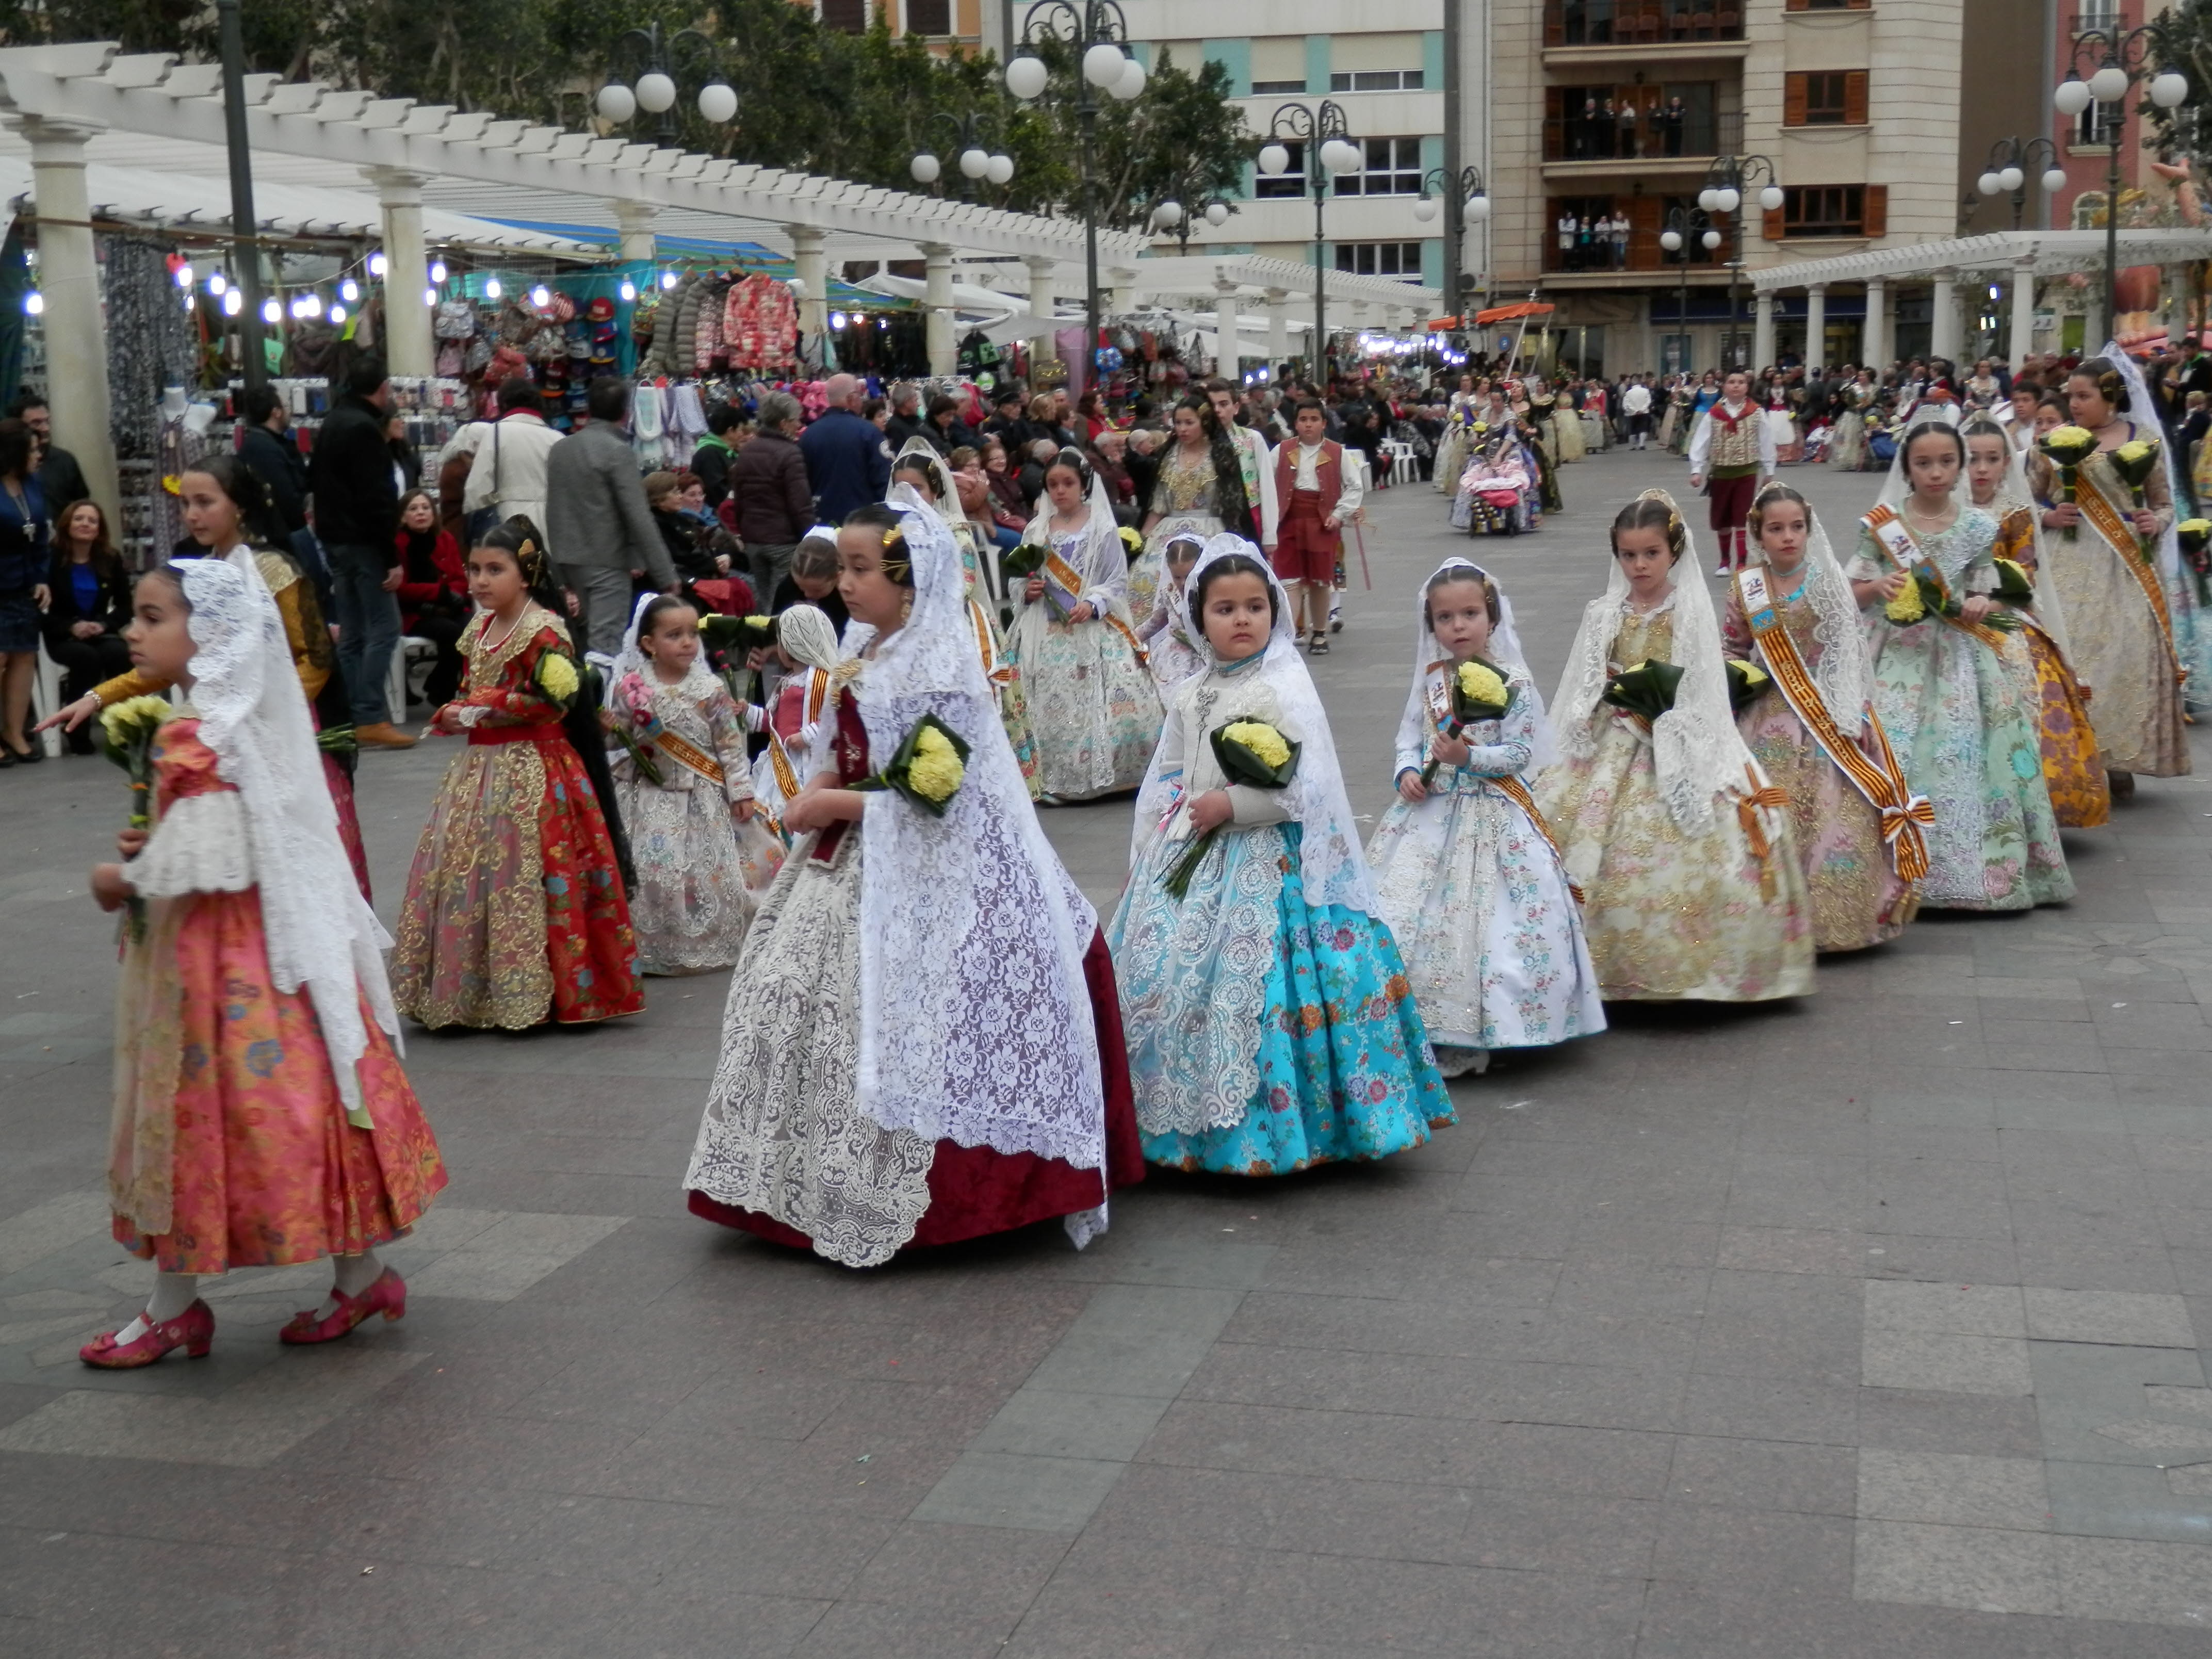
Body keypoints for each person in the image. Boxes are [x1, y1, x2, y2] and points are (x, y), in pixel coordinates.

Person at [682, 501, 1144, 1266]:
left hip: (928, 865)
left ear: (911, 579)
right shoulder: (865, 652)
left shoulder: (940, 670)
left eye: (866, 571)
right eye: (847, 569)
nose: (849, 585)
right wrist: (822, 780)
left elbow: (939, 795)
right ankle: (797, 1179)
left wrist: (829, 802)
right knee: (791, 989)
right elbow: (846, 747)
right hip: (842, 864)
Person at [76, 549, 445, 1368]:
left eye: (152, 617)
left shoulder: (198, 731)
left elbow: (210, 858)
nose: (133, 633)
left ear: (211, 634)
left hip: (218, 957)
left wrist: (122, 876)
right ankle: (361, 1274)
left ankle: (176, 1307)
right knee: (304, 1098)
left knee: (197, 1114)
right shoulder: (233, 719)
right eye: (136, 616)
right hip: (272, 944)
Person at [1109, 538, 1453, 1172]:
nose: (1241, 620)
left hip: (1271, 858)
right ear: (1196, 617)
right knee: (1170, 979)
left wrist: (1233, 805)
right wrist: (1166, 827)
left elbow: (1309, 790)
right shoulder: (1190, 693)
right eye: (1223, 609)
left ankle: (1288, 1129)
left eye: (1253, 607)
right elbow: (1172, 773)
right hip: (1192, 852)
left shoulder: (1284, 686)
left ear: (1273, 611)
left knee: (1266, 993)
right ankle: (1172, 1121)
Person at [44, 456, 375, 894]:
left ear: (238, 506)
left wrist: (260, 711)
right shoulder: (196, 572)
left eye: (205, 502)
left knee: (298, 869)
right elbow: (183, 657)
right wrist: (98, 696)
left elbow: (314, 657)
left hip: (281, 734)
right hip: (221, 730)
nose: (192, 515)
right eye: (186, 504)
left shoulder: (274, 569)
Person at [1537, 490, 1815, 1001]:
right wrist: (1602, 695)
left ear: (1673, 553)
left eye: (1651, 554)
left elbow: (1705, 684)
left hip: (1677, 734)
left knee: (1697, 834)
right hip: (1615, 735)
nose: (1639, 565)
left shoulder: (1687, 609)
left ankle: (1695, 965)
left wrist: (1671, 718)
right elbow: (1580, 682)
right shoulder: (1603, 612)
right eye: (1628, 555)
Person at [391, 515, 644, 1029]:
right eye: (474, 570)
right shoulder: (478, 629)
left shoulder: (543, 629)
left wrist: (488, 703)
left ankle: (542, 988)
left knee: (530, 876)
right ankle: (477, 989)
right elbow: (467, 691)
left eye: (495, 569)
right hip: (481, 768)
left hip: (536, 769)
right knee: (475, 875)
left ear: (525, 575)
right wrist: (457, 711)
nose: (481, 581)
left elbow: (555, 702)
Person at [1366, 559, 1604, 1077]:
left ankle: (1495, 1022)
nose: (1458, 626)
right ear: (1431, 624)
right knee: (1409, 909)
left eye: (1469, 613)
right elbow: (1409, 734)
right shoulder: (1431, 680)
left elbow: (1520, 751)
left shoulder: (1512, 679)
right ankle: (1421, 1021)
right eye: (1445, 617)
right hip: (1431, 811)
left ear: (1491, 617)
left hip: (1494, 809)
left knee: (1496, 917)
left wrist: (1469, 759)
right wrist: (1407, 770)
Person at [1851, 422, 2073, 910]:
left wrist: (1979, 604)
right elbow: (1854, 589)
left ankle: (1971, 873)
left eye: (1947, 462)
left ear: (1961, 465)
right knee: (1891, 745)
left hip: (1959, 658)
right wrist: (1878, 588)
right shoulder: (1882, 524)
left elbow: (1996, 594)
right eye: (1924, 463)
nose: (1936, 472)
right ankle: (1884, 874)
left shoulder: (1977, 527)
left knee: (1960, 749)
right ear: (1906, 468)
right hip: (1893, 655)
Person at [1718, 484, 1921, 952]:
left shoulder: (1829, 580)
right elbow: (1733, 647)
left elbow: (1849, 649)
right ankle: (1770, 923)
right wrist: (1732, 688)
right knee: (1771, 814)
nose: (1788, 537)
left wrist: (1851, 709)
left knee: (1835, 817)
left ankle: (1836, 921)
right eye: (1776, 529)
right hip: (1766, 715)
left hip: (1826, 714)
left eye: (1796, 527)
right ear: (1759, 534)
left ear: (1809, 529)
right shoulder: (1747, 586)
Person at [2026, 355, 2191, 795]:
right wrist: (2048, 515)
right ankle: (2074, 755)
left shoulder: (2145, 440)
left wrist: (2156, 522)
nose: (2075, 404)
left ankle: (2118, 756)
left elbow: (2164, 502)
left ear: (2111, 397)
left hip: (2127, 570)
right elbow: (2025, 497)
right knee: (2073, 658)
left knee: (2124, 659)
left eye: (2085, 396)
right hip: (2068, 568)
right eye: (2071, 396)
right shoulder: (2054, 441)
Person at [604, 593, 772, 974]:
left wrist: (741, 790)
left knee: (700, 873)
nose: (686, 643)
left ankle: (696, 942)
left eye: (692, 634)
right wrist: (611, 731)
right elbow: (618, 739)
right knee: (651, 871)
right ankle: (650, 945)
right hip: (645, 795)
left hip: (699, 797)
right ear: (648, 644)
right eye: (673, 635)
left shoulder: (709, 689)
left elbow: (730, 744)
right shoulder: (631, 687)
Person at [1962, 418, 2109, 829]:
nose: (1982, 469)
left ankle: (2033, 803)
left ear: (2007, 462)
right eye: (1973, 459)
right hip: (1952, 615)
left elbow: (2025, 573)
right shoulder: (1948, 510)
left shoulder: (2016, 512)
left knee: (2036, 686)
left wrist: (1990, 603)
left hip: (2005, 615)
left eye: (1992, 459)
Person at [1009, 448, 1160, 802]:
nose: (1060, 491)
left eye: (1068, 483)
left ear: (1084, 485)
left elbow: (1116, 580)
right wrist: (1027, 590)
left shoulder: (1101, 527)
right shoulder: (1036, 528)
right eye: (1053, 485)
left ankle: (1106, 771)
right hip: (1044, 630)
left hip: (1090, 626)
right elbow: (1020, 578)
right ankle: (1050, 776)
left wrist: (1092, 603)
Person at [307, 356, 413, 750]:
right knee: (385, 628)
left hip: (335, 539)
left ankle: (351, 716)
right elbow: (377, 498)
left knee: (352, 632)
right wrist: (390, 555)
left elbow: (315, 480)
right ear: (382, 390)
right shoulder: (366, 430)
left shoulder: (332, 423)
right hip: (365, 542)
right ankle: (369, 713)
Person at [546, 376, 677, 659]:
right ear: (625, 413)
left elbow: (555, 506)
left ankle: (584, 695)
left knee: (582, 637)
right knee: (607, 643)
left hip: (567, 558)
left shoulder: (560, 449)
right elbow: (638, 515)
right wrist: (665, 573)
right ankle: (603, 701)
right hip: (606, 559)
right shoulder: (618, 452)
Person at [1134, 394, 1255, 623]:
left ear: (1205, 422)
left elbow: (1232, 503)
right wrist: (1140, 538)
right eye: (1178, 423)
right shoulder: (1169, 456)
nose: (1182, 429)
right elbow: (1158, 504)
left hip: (1211, 530)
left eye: (1189, 423)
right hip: (1166, 532)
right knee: (1148, 579)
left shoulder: (1219, 455)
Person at [1270, 398, 1361, 654]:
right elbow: (1265, 482)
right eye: (1303, 420)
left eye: (1313, 420)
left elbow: (1355, 485)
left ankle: (1319, 633)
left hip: (1322, 523)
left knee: (1320, 580)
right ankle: (1288, 635)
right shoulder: (1281, 450)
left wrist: (1339, 513)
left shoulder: (1336, 452)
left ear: (1323, 424)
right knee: (1290, 580)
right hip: (1288, 521)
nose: (1308, 425)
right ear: (1295, 424)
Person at [40, 498, 129, 752]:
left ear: (99, 529)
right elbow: (39, 611)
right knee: (86, 658)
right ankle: (76, 730)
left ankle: (122, 726)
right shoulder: (50, 559)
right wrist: (71, 628)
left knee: (119, 654)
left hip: (100, 632)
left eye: (92, 521)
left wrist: (103, 624)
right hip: (61, 635)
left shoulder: (110, 558)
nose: (85, 524)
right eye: (79, 519)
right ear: (67, 524)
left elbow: (126, 606)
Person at [746, 600, 840, 835]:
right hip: (778, 761)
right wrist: (746, 712)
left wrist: (808, 735)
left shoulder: (824, 680)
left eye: (780, 641)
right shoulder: (787, 681)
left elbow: (838, 719)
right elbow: (774, 723)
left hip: (806, 764)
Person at [446, 377, 561, 548]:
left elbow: (477, 489)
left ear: (504, 404)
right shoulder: (557, 438)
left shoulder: (496, 432)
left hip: (508, 525)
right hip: (552, 526)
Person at [236, 383, 321, 599]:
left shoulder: (268, 444)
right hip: (283, 539)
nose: (290, 411)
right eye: (286, 405)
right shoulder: (262, 448)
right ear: (276, 411)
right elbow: (285, 497)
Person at [1688, 369, 1777, 576]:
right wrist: (1696, 470)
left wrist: (1769, 470)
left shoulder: (1756, 412)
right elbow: (1701, 442)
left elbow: (1766, 441)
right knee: (1722, 518)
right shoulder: (1714, 414)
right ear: (1724, 387)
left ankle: (1742, 561)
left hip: (1747, 471)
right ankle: (1724, 560)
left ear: (1747, 387)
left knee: (1742, 516)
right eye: (1731, 382)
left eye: (1741, 382)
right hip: (1721, 473)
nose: (1736, 386)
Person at [729, 388, 813, 605]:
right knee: (781, 602)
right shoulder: (790, 454)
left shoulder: (747, 451)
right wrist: (811, 536)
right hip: (783, 541)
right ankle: (776, 638)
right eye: (796, 420)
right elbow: (800, 504)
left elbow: (739, 498)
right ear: (783, 423)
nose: (799, 425)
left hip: (753, 539)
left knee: (764, 599)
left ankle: (762, 636)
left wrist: (743, 531)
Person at [393, 487, 469, 709]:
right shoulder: (398, 544)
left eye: (426, 508)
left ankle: (438, 683)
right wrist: (439, 592)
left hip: (450, 607)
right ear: (403, 516)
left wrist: (453, 593)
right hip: (415, 612)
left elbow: (459, 577)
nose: (421, 513)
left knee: (474, 628)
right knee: (451, 633)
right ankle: (442, 691)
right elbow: (402, 588)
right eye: (413, 509)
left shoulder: (445, 539)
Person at [0, 416, 46, 763]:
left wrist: (42, 577)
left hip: (25, 583)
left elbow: (40, 535)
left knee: (24, 657)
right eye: (32, 449)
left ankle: (14, 731)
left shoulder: (32, 484)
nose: (38, 454)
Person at [800, 372, 894, 529]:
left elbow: (803, 484)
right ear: (851, 398)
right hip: (863, 523)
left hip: (822, 524)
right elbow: (885, 481)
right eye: (860, 394)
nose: (862, 400)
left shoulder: (808, 435)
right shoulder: (868, 432)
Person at [1208, 379, 1279, 552]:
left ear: (1236, 407)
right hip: (1209, 523)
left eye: (1224, 404)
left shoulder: (1252, 439)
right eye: (1212, 405)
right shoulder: (1199, 443)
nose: (1217, 410)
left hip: (1246, 518)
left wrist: (1270, 534)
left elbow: (1267, 485)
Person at [1134, 530, 1205, 695]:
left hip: (1202, 658)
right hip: (1171, 657)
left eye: (1188, 576)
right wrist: (1131, 638)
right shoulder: (1170, 592)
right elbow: (1156, 622)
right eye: (1177, 577)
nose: (1182, 583)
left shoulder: (1210, 594)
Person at [9, 393, 87, 517]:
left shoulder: (65, 461)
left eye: (47, 421)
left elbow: (81, 506)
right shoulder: (7, 466)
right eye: (37, 423)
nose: (45, 428)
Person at [691, 401, 747, 509]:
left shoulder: (726, 451)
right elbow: (717, 493)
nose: (742, 435)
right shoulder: (709, 454)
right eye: (740, 430)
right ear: (730, 431)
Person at [883, 382, 931, 453]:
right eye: (916, 400)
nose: (918, 404)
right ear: (907, 403)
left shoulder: (917, 421)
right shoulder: (894, 428)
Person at [1622, 376, 1653, 450]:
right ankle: (1642, 444)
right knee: (1643, 428)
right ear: (1640, 382)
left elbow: (1626, 404)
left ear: (1632, 384)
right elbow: (1648, 401)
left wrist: (1634, 410)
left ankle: (1633, 446)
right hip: (1644, 412)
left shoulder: (1628, 393)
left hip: (1632, 413)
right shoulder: (1646, 391)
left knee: (1633, 429)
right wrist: (1642, 410)